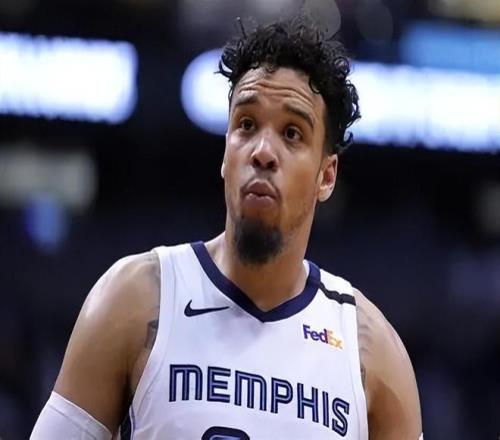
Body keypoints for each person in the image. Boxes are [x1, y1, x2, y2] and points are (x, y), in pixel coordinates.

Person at [31, 15, 422, 440]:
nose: (263, 151)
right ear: (225, 153)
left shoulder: (372, 352)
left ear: (326, 176)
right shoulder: (134, 299)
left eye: (292, 133)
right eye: (246, 125)